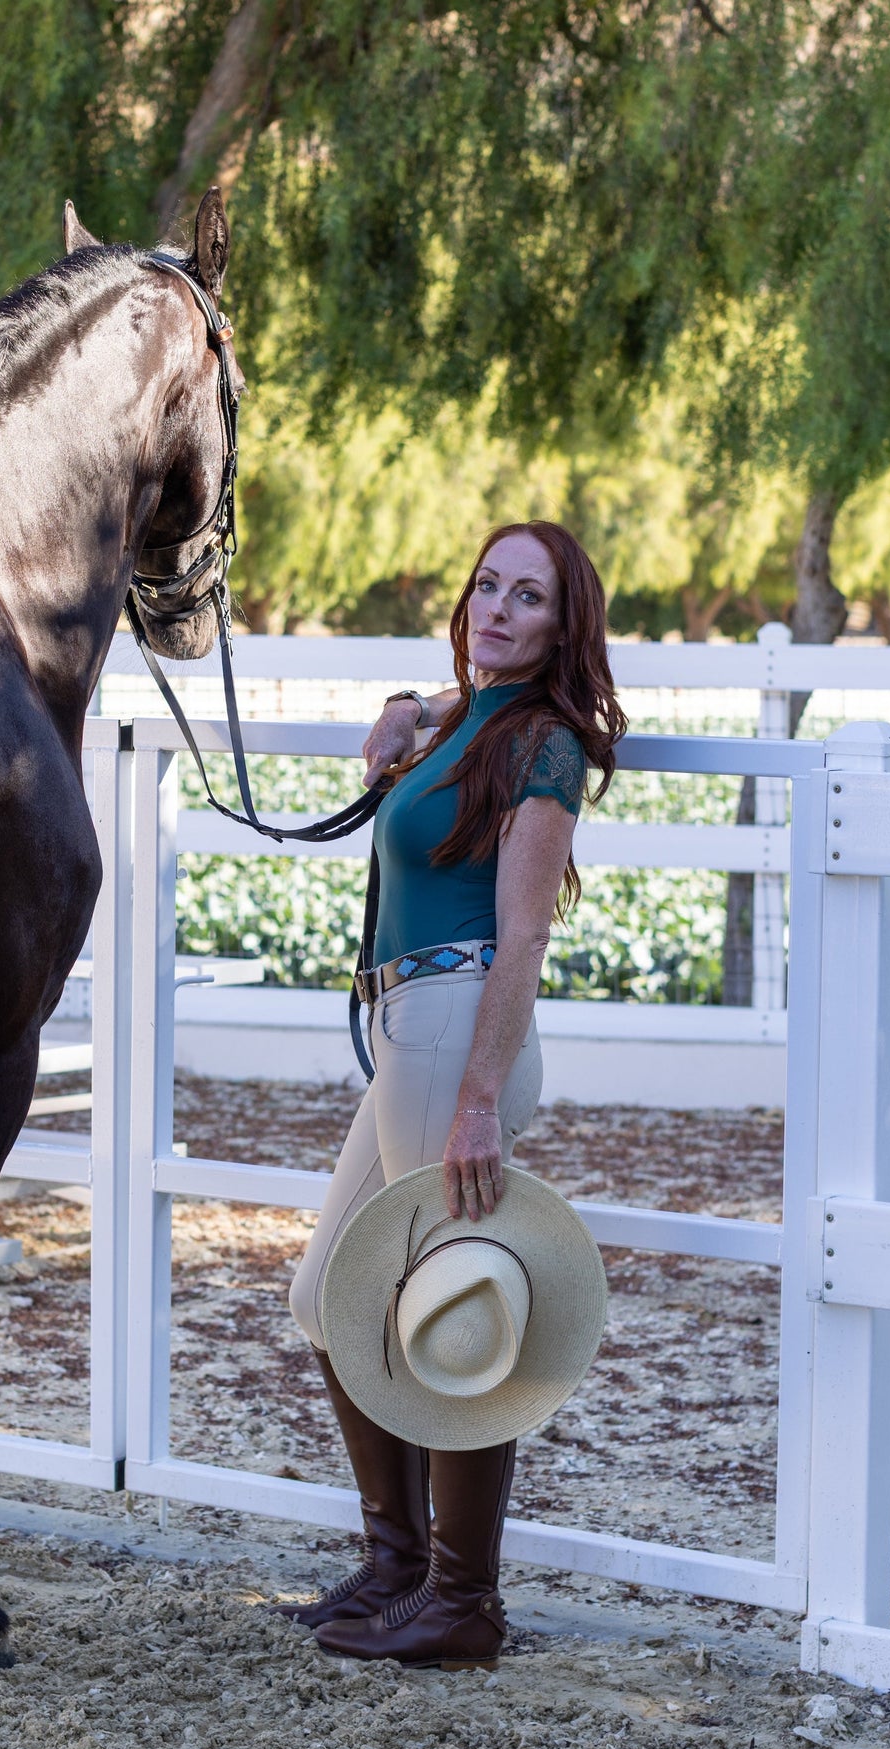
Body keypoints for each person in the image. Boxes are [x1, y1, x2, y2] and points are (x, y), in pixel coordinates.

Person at [278, 520, 626, 1668]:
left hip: (456, 1026)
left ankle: (464, 1596)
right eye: (487, 584)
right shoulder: (471, 717)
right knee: (327, 1295)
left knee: (452, 1302)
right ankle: (397, 1569)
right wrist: (406, 706)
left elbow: (523, 935)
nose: (496, 608)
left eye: (528, 596)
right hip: (409, 1028)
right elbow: (451, 701)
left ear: (563, 625)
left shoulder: (545, 747)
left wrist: (479, 1097)